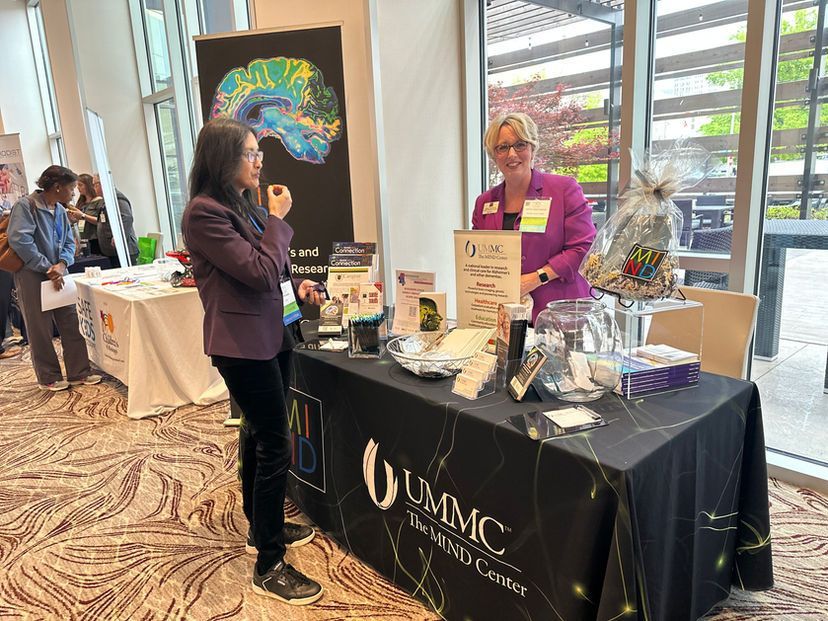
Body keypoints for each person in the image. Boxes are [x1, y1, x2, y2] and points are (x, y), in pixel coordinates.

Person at [181, 117, 325, 606]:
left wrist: (299, 288)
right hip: (242, 346)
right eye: (250, 153)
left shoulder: (241, 205)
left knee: (258, 435)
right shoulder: (204, 213)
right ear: (223, 158)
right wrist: (278, 218)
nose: (259, 161)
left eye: (259, 152)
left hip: (272, 334)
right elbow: (260, 272)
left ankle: (261, 526)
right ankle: (269, 563)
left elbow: (273, 275)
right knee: (275, 445)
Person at [472, 112, 596, 323]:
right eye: (502, 147)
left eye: (520, 144)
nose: (512, 154)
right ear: (494, 155)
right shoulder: (484, 202)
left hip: (559, 314)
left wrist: (537, 277)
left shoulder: (564, 189)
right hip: (505, 316)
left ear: (532, 148)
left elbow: (583, 248)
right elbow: (477, 258)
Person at [7, 166, 101, 391]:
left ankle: (79, 371)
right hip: (32, 276)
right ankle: (48, 376)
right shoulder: (26, 206)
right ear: (57, 187)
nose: (74, 193)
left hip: (60, 273)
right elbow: (20, 241)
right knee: (39, 328)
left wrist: (62, 264)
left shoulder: (59, 209)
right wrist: (47, 267)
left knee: (71, 322)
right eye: (71, 188)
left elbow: (68, 241)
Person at [92, 175, 139, 267]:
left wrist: (118, 236)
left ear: (102, 183)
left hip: (124, 250)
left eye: (95, 185)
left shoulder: (118, 198)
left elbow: (127, 218)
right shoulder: (105, 199)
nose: (94, 188)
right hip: (112, 251)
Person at [67, 173, 103, 255]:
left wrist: (83, 216)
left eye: (80, 185)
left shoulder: (98, 201)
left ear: (88, 185)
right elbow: (79, 220)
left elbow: (100, 221)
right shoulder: (81, 202)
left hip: (95, 238)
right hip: (84, 238)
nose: (78, 188)